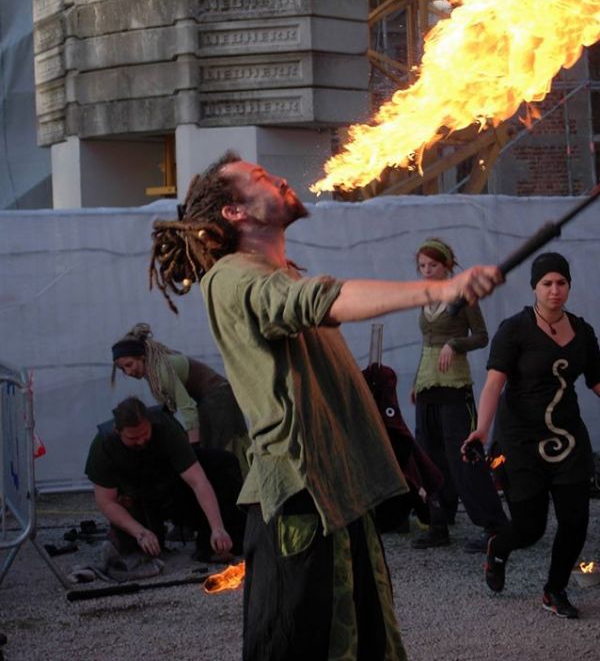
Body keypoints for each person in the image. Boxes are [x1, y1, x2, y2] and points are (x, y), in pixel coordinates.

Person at [148, 151, 502, 661]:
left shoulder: (282, 272)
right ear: (235, 212)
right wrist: (442, 286)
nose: (281, 177)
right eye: (261, 178)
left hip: (339, 495)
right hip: (303, 502)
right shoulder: (231, 277)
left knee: (368, 643)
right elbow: (320, 301)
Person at [464, 252, 600, 619]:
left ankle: (554, 591)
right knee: (529, 528)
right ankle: (498, 548)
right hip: (523, 440)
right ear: (535, 288)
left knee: (575, 521)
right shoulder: (515, 329)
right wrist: (481, 428)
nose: (555, 290)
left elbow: (596, 381)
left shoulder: (583, 332)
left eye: (561, 283)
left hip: (569, 439)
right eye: (547, 284)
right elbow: (494, 384)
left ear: (569, 285)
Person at [411, 238, 508, 551]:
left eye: (433, 266)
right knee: (429, 455)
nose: (427, 271)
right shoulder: (424, 296)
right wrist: (417, 380)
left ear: (447, 265)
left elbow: (481, 336)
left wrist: (455, 343)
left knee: (464, 454)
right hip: (428, 384)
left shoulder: (464, 296)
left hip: (454, 385)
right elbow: (426, 343)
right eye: (422, 266)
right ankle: (439, 523)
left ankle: (493, 525)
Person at [85, 397, 245, 562]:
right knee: (144, 551)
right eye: (133, 439)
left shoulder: (165, 427)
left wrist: (217, 528)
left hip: (169, 485)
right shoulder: (103, 446)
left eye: (145, 434)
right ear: (118, 432)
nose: (140, 441)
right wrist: (140, 533)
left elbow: (198, 481)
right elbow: (106, 502)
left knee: (223, 463)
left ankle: (212, 541)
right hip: (136, 497)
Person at [111, 322, 250, 476]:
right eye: (123, 369)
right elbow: (167, 409)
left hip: (218, 398)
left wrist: (194, 448)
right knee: (221, 447)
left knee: (223, 448)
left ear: (141, 357)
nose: (128, 371)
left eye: (129, 365)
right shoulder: (152, 372)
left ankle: (242, 490)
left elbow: (187, 407)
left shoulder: (161, 371)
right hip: (210, 398)